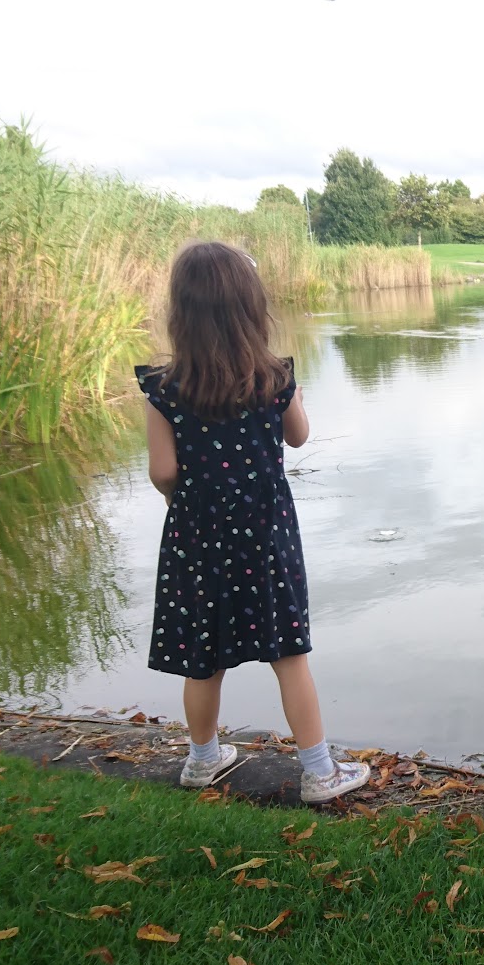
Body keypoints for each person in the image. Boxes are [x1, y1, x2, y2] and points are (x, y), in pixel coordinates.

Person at [137, 241, 369, 802]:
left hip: (197, 533)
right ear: (250, 308)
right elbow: (299, 436)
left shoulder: (164, 388)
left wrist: (180, 503)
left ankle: (202, 760)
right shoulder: (273, 377)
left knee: (203, 657)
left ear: (181, 312)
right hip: (265, 532)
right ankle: (319, 771)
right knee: (288, 654)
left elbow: (163, 471)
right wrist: (293, 395)